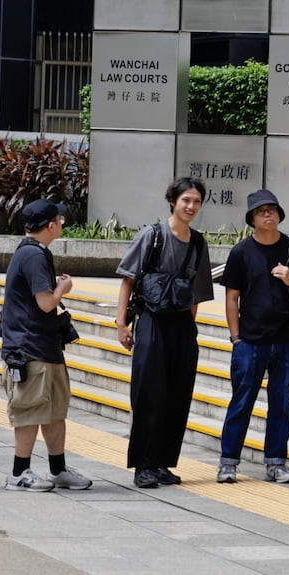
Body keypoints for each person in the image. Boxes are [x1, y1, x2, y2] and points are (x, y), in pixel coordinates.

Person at [116, 177, 215, 487]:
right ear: (172, 200)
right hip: (152, 321)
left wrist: (190, 329)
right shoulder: (152, 235)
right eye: (186, 199)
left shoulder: (198, 242)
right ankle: (143, 465)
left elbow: (197, 293)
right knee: (148, 394)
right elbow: (127, 281)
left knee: (177, 394)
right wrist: (122, 324)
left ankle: (162, 463)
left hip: (182, 326)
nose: (191, 206)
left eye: (197, 201)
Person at [219, 190, 289, 484]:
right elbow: (231, 297)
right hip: (249, 341)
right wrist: (235, 338)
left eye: (272, 209)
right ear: (251, 218)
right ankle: (228, 462)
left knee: (282, 404)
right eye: (261, 211)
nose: (267, 214)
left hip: (287, 340)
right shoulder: (240, 252)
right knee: (241, 402)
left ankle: (276, 462)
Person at [0, 199, 93, 491]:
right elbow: (45, 303)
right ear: (50, 225)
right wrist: (63, 288)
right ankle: (18, 473)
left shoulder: (33, 253)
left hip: (44, 346)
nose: (62, 224)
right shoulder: (34, 256)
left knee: (53, 410)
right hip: (30, 349)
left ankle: (58, 469)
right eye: (59, 220)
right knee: (30, 411)